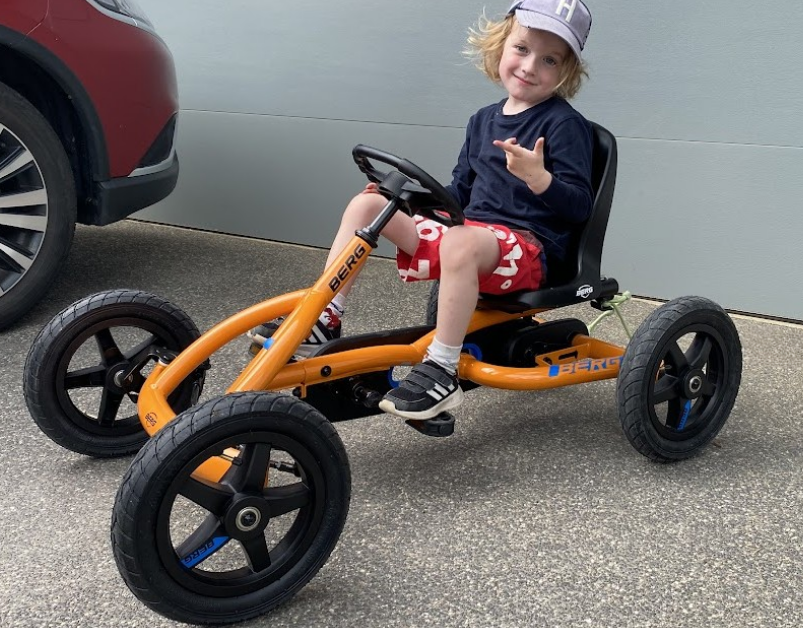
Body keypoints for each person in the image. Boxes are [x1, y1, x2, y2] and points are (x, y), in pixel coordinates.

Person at [252, 0, 595, 420]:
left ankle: (442, 368)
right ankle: (327, 316)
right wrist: (409, 199)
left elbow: (580, 207)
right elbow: (460, 193)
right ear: (501, 46)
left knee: (461, 240)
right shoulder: (482, 121)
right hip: (471, 236)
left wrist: (540, 179)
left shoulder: (563, 125)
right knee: (368, 205)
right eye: (522, 49)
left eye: (549, 59)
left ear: (565, 71)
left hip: (531, 252)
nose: (529, 66)